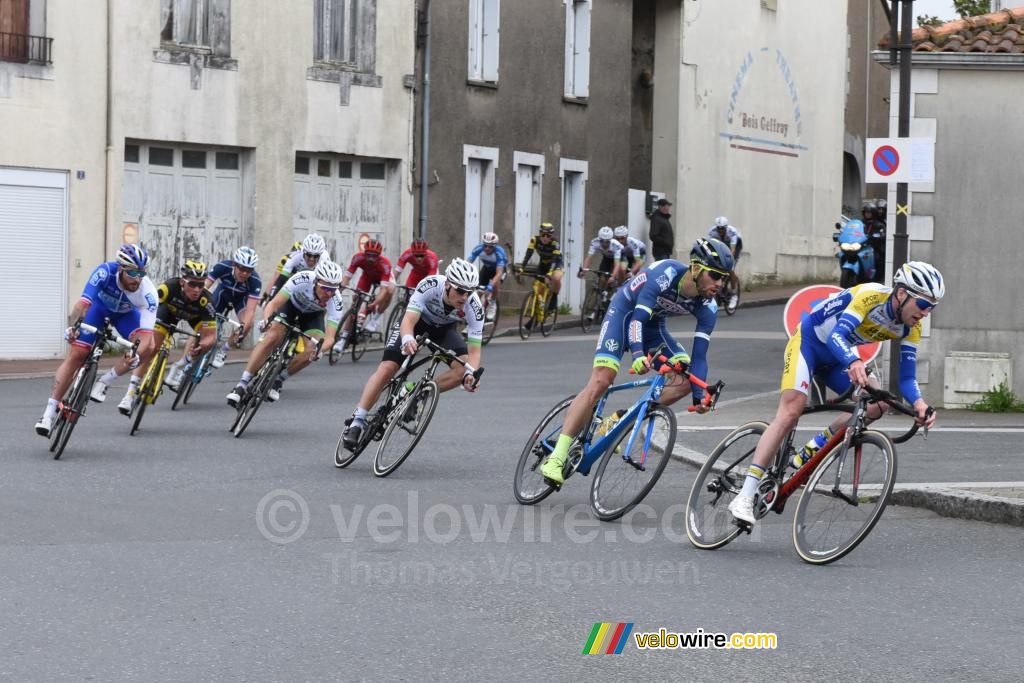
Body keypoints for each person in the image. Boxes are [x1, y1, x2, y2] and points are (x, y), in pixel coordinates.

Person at [727, 261, 944, 526]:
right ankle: (745, 495)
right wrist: (854, 362)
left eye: (932, 307)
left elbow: (907, 377)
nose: (926, 313)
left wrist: (920, 404)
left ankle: (813, 448)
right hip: (809, 344)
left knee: (878, 405)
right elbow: (837, 335)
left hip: (839, 358)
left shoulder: (912, 327)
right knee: (791, 411)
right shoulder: (870, 296)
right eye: (923, 305)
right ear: (902, 294)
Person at [539, 238, 735, 485]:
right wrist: (638, 354)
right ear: (696, 269)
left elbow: (699, 356)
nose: (719, 283)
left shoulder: (708, 306)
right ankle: (557, 457)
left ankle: (619, 419)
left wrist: (699, 396)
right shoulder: (666, 274)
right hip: (626, 313)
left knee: (684, 380)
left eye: (723, 278)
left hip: (654, 326)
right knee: (602, 380)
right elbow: (637, 320)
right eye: (715, 276)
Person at [340, 258, 485, 450]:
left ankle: (417, 392)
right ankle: (357, 421)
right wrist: (408, 338)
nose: (464, 297)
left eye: (469, 292)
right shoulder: (430, 285)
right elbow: (409, 319)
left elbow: (474, 351)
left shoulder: (474, 307)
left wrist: (470, 374)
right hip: (416, 323)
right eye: (460, 291)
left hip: (444, 331)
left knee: (463, 368)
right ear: (448, 284)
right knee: (389, 367)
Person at [35, 244, 158, 436]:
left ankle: (105, 381)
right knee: (78, 353)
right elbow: (82, 305)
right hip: (98, 310)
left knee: (148, 348)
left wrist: (134, 353)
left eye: (142, 273)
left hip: (126, 316)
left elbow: (147, 337)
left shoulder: (148, 293)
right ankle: (48, 414)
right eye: (133, 273)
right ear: (121, 269)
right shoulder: (104, 273)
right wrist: (73, 327)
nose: (138, 279)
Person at [226, 259, 345, 406]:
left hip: (312, 317)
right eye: (326, 288)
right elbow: (274, 304)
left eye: (334, 289)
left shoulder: (336, 300)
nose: (329, 293)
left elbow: (330, 337)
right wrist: (265, 320)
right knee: (272, 336)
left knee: (311, 351)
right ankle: (241, 385)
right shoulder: (302, 278)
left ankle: (278, 380)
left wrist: (320, 350)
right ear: (316, 281)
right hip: (290, 307)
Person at [133, 260, 218, 397]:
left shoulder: (206, 300)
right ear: (182, 282)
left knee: (206, 343)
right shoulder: (169, 287)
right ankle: (132, 389)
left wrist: (202, 345)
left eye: (200, 285)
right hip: (168, 312)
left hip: (193, 317)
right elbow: (147, 307)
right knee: (152, 347)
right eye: (192, 284)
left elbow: (211, 336)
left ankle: (180, 366)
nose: (197, 289)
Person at [174, 246, 262, 373]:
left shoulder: (255, 281)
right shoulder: (223, 267)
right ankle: (182, 363)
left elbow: (250, 310)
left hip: (240, 300)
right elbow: (203, 288)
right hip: (222, 295)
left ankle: (224, 350)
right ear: (234, 264)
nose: (245, 273)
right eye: (242, 268)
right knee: (201, 327)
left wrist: (243, 326)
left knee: (248, 324)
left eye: (249, 270)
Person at [332, 238, 395, 355]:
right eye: (368, 255)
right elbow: (347, 277)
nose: (371, 258)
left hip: (383, 279)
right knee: (355, 303)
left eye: (374, 256)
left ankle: (376, 318)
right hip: (367, 277)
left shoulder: (385, 263)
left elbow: (383, 290)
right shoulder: (358, 258)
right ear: (364, 253)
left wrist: (375, 303)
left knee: (390, 290)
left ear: (379, 255)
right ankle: (343, 339)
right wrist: (338, 290)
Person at [265, 234, 330, 300]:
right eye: (309, 255)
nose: (311, 259)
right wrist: (270, 299)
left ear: (320, 254)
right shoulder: (296, 255)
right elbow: (280, 279)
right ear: (304, 252)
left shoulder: (325, 259)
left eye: (316, 256)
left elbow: (327, 284)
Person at [519, 222, 564, 314]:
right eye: (543, 235)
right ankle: (539, 310)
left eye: (548, 236)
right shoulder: (534, 240)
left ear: (551, 236)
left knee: (555, 278)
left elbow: (554, 260)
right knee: (539, 287)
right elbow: (528, 255)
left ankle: (554, 297)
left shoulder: (555, 243)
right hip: (543, 264)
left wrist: (550, 273)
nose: (545, 238)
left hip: (556, 264)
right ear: (540, 234)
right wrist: (522, 268)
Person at [467, 232, 508, 320]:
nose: (487, 248)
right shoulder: (479, 248)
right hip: (487, 269)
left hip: (499, 271)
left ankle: (492, 303)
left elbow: (499, 273)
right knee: (479, 292)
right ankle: (476, 312)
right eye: (485, 245)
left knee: (495, 285)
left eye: (490, 246)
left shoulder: (499, 253)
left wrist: (491, 285)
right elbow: (467, 262)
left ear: (495, 246)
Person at [708, 216, 743, 308]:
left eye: (723, 228)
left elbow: (732, 250)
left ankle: (734, 294)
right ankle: (719, 288)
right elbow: (711, 247)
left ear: (726, 227)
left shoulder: (732, 232)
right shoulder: (712, 232)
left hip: (735, 245)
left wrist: (727, 260)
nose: (721, 230)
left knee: (730, 268)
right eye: (718, 228)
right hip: (722, 244)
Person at [578, 226, 627, 290]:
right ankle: (601, 295)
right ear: (599, 239)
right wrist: (583, 271)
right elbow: (589, 257)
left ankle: (620, 288)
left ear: (611, 239)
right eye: (602, 241)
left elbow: (616, 263)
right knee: (602, 277)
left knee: (620, 271)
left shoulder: (616, 245)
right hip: (607, 258)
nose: (604, 244)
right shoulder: (594, 242)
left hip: (620, 257)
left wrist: (613, 276)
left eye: (607, 242)